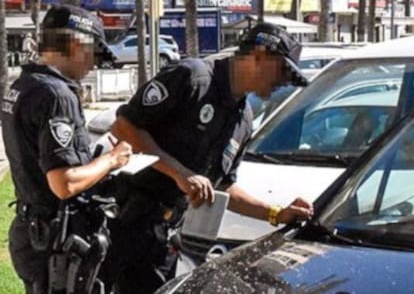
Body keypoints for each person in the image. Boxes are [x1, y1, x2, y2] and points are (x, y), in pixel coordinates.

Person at [102, 22, 314, 293]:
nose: (283, 81)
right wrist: (180, 173)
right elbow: (124, 127)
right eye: (282, 71)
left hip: (166, 238)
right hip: (125, 227)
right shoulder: (192, 78)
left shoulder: (243, 119)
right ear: (259, 55)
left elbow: (223, 187)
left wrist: (275, 213)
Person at [1, 4, 132, 294]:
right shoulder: (56, 94)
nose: (94, 65)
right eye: (94, 53)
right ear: (75, 45)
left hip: (32, 228)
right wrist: (112, 159)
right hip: (55, 239)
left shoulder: (23, 84)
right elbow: (64, 182)